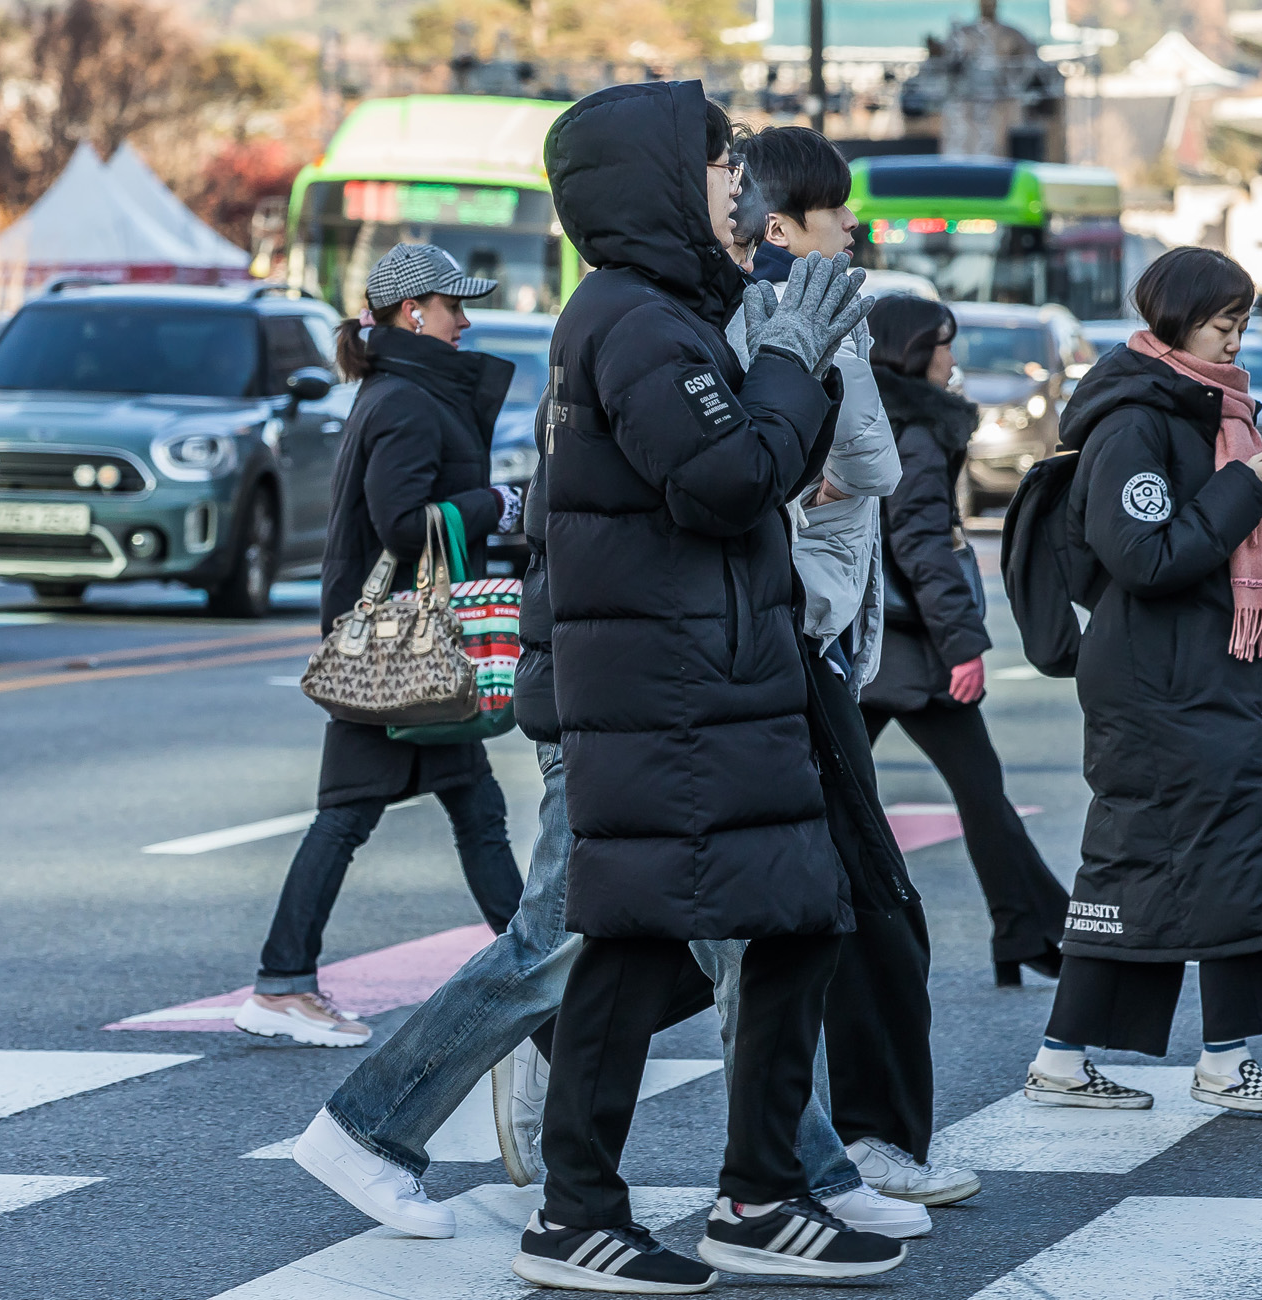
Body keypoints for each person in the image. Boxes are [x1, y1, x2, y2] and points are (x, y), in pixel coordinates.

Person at [525, 82, 902, 1292]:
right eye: (714, 157)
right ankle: (575, 1213)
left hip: (725, 665)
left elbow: (765, 465)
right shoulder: (631, 320)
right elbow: (729, 480)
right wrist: (788, 361)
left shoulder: (677, 307)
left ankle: (759, 1195)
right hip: (669, 682)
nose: (734, 177)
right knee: (638, 941)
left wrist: (798, 363)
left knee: (802, 914)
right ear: (652, 179)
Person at [1021, 246, 1262, 1115]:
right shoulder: (1135, 421)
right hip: (1155, 679)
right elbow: (1146, 558)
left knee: (1191, 857)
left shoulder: (1211, 410)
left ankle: (1091, 1059)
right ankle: (1209, 1062)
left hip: (1202, 667)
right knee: (1175, 854)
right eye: (1223, 324)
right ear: (1177, 320)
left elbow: (1234, 556)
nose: (1236, 342)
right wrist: (1241, 489)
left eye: (1243, 325)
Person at [729, 124, 982, 1210]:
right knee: (861, 903)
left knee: (740, 909)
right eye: (838, 214)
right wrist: (812, 470)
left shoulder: (720, 308)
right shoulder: (807, 315)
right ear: (785, 226)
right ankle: (857, 1147)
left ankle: (830, 1154)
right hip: (791, 633)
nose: (854, 231)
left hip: (804, 631)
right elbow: (870, 461)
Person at [233, 243, 524, 1048]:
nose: (465, 321)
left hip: (410, 648)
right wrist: (495, 503)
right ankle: (281, 983)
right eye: (454, 307)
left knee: (477, 810)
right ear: (413, 313)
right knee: (349, 817)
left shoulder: (402, 389)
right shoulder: (405, 400)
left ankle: (538, 971)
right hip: (397, 650)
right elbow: (400, 523)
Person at [861, 295, 1070, 987]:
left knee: (968, 789)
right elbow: (921, 545)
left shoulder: (865, 412)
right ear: (912, 352)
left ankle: (1025, 927)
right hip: (911, 647)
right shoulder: (918, 430)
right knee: (978, 790)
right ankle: (1027, 928)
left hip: (868, 644)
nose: (952, 357)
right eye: (942, 343)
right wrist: (961, 646)